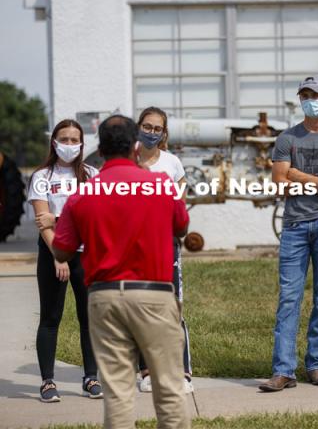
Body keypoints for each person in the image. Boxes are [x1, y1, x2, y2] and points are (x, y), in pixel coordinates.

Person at [52, 115, 190, 429]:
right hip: (154, 295)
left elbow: (62, 250)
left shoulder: (83, 194)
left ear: (100, 149)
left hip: (104, 296)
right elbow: (181, 226)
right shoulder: (160, 186)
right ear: (137, 147)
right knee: (169, 388)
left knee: (118, 394)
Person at [259, 75, 318, 392]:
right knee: (289, 298)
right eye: (304, 95)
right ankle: (283, 370)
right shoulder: (287, 139)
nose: (309, 100)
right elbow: (278, 184)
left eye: (314, 94)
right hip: (295, 227)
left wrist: (298, 174)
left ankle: (316, 364)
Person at [27, 119, 103, 402]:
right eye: (64, 139)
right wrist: (59, 255)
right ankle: (47, 382)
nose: (69, 145)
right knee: (50, 317)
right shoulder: (42, 176)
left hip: (86, 255)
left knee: (89, 319)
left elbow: (96, 219)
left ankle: (91, 377)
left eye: (75, 140)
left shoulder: (93, 175)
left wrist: (59, 218)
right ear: (54, 142)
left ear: (83, 144)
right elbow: (41, 221)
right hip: (52, 255)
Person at [136, 106, 193, 394]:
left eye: (157, 129)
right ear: (138, 127)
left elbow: (180, 197)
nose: (151, 133)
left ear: (164, 133)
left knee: (172, 308)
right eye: (147, 126)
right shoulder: (127, 161)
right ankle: (145, 371)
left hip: (165, 242)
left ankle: (181, 372)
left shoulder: (172, 163)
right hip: (134, 245)